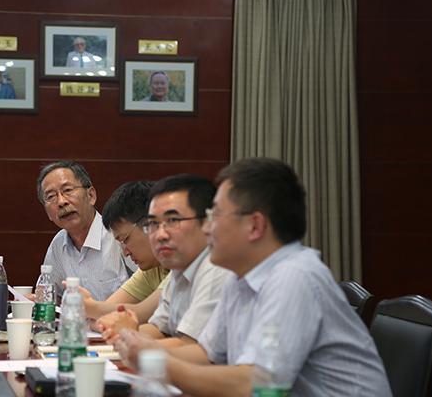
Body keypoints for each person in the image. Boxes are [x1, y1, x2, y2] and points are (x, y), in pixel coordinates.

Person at [114, 158, 391, 396]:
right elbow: (206, 354)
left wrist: (155, 362)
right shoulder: (240, 278)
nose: (207, 228)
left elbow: (257, 384)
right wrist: (140, 349)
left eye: (215, 215)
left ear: (255, 225)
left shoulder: (294, 276)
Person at [98, 174, 230, 349]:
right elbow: (158, 328)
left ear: (208, 222)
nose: (160, 235)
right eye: (153, 224)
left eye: (173, 220)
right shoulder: (180, 268)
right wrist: (124, 334)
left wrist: (133, 341)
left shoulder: (216, 269)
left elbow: (190, 346)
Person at [38, 160, 136, 301]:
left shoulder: (119, 235)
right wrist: (34, 301)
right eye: (51, 197)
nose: (61, 202)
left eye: (68, 190)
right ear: (48, 213)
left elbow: (152, 287)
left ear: (91, 196)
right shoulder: (58, 245)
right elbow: (52, 297)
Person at [78, 181, 170, 323]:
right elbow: (104, 318)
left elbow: (139, 313)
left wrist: (90, 307)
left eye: (125, 239)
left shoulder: (183, 265)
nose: (125, 253)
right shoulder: (152, 268)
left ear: (150, 224)